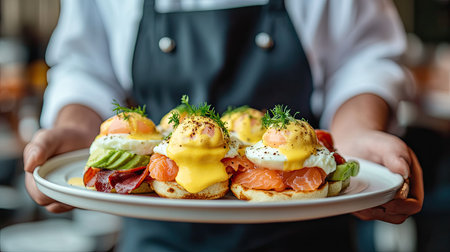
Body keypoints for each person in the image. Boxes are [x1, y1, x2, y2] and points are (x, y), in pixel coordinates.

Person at [24, 0, 423, 251]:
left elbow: (365, 58)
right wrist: (78, 131)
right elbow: (84, 65)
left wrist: (356, 135)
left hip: (309, 233)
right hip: (155, 230)